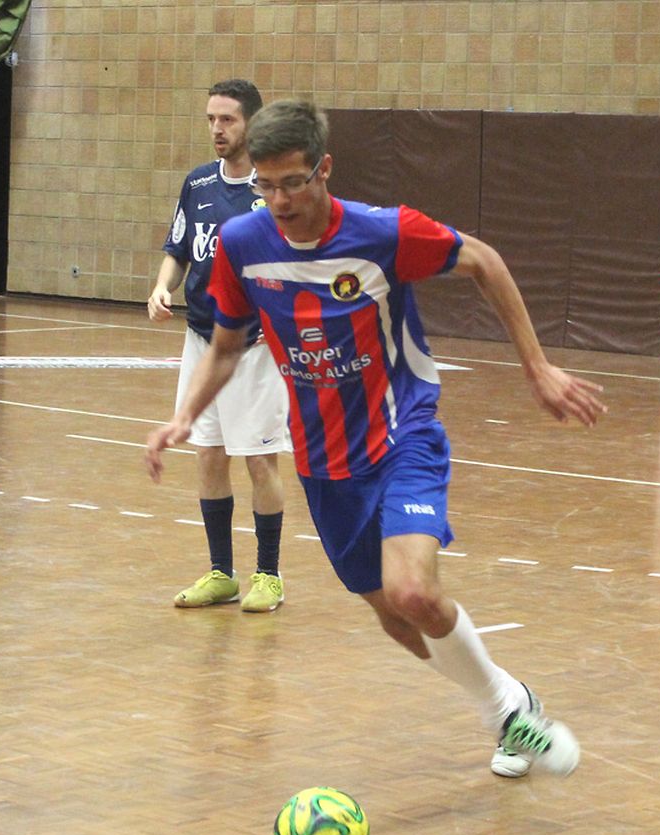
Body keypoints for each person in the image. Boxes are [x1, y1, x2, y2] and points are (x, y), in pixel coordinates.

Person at [145, 100, 607, 778]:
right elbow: (226, 345)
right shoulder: (246, 244)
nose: (278, 200)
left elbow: (483, 260)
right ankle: (514, 700)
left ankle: (503, 716)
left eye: (293, 182)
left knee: (414, 592)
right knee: (395, 618)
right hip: (324, 462)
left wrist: (536, 367)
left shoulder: (383, 233)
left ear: (324, 168)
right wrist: (186, 416)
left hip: (402, 434)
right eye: (266, 187)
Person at [148, 80, 289, 613]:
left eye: (227, 120)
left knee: (258, 459)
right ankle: (220, 573)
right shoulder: (198, 182)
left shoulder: (272, 189)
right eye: (211, 119)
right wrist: (163, 286)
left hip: (252, 346)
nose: (217, 129)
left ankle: (269, 575)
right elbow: (179, 248)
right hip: (201, 338)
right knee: (209, 454)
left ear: (250, 123)